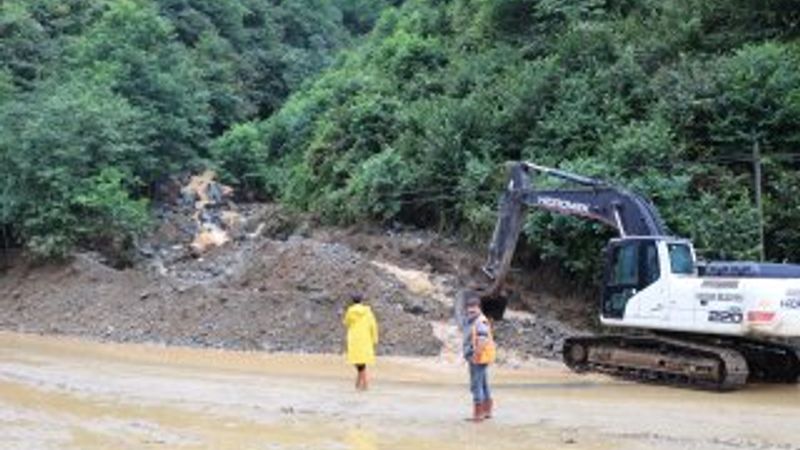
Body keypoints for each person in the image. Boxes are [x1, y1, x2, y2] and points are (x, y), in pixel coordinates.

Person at [462, 292, 496, 422]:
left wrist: (476, 355)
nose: (470, 309)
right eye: (469, 307)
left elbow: (482, 340)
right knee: (483, 383)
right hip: (481, 357)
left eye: (473, 307)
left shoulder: (480, 321)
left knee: (476, 385)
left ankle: (478, 414)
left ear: (478, 307)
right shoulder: (474, 320)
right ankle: (487, 411)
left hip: (479, 357)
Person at [343, 292, 379, 391]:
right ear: (362, 300)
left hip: (354, 339)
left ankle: (364, 385)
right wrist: (375, 338)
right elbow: (373, 325)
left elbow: (346, 323)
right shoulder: (368, 312)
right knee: (361, 362)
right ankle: (359, 385)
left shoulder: (350, 311)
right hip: (366, 338)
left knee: (358, 363)